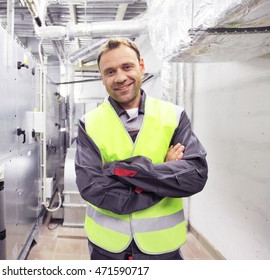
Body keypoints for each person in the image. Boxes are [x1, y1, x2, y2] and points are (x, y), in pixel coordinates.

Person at [74, 37, 208, 260]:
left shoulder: (173, 116)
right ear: (102, 78)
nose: (120, 77)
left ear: (142, 66)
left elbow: (195, 175)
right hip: (107, 248)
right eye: (110, 71)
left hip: (162, 247)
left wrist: (116, 169)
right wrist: (162, 175)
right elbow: (92, 187)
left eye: (127, 67)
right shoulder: (89, 123)